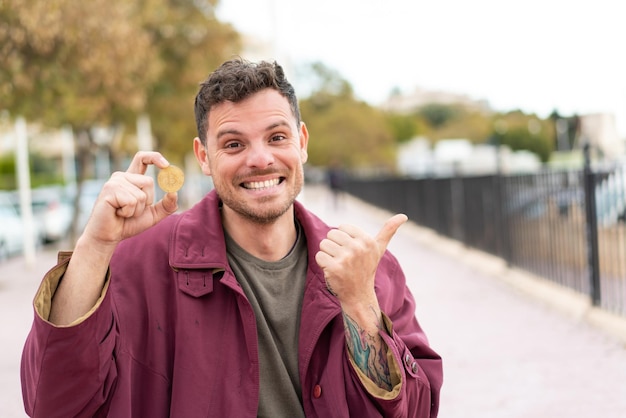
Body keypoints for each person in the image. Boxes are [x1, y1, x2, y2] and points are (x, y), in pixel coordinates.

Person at [21, 58, 443, 417]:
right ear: (204, 156)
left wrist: (359, 306)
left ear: (302, 142)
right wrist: (95, 246)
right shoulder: (138, 263)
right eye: (234, 144)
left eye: (277, 137)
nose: (260, 159)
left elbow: (417, 408)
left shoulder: (369, 270)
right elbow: (52, 403)